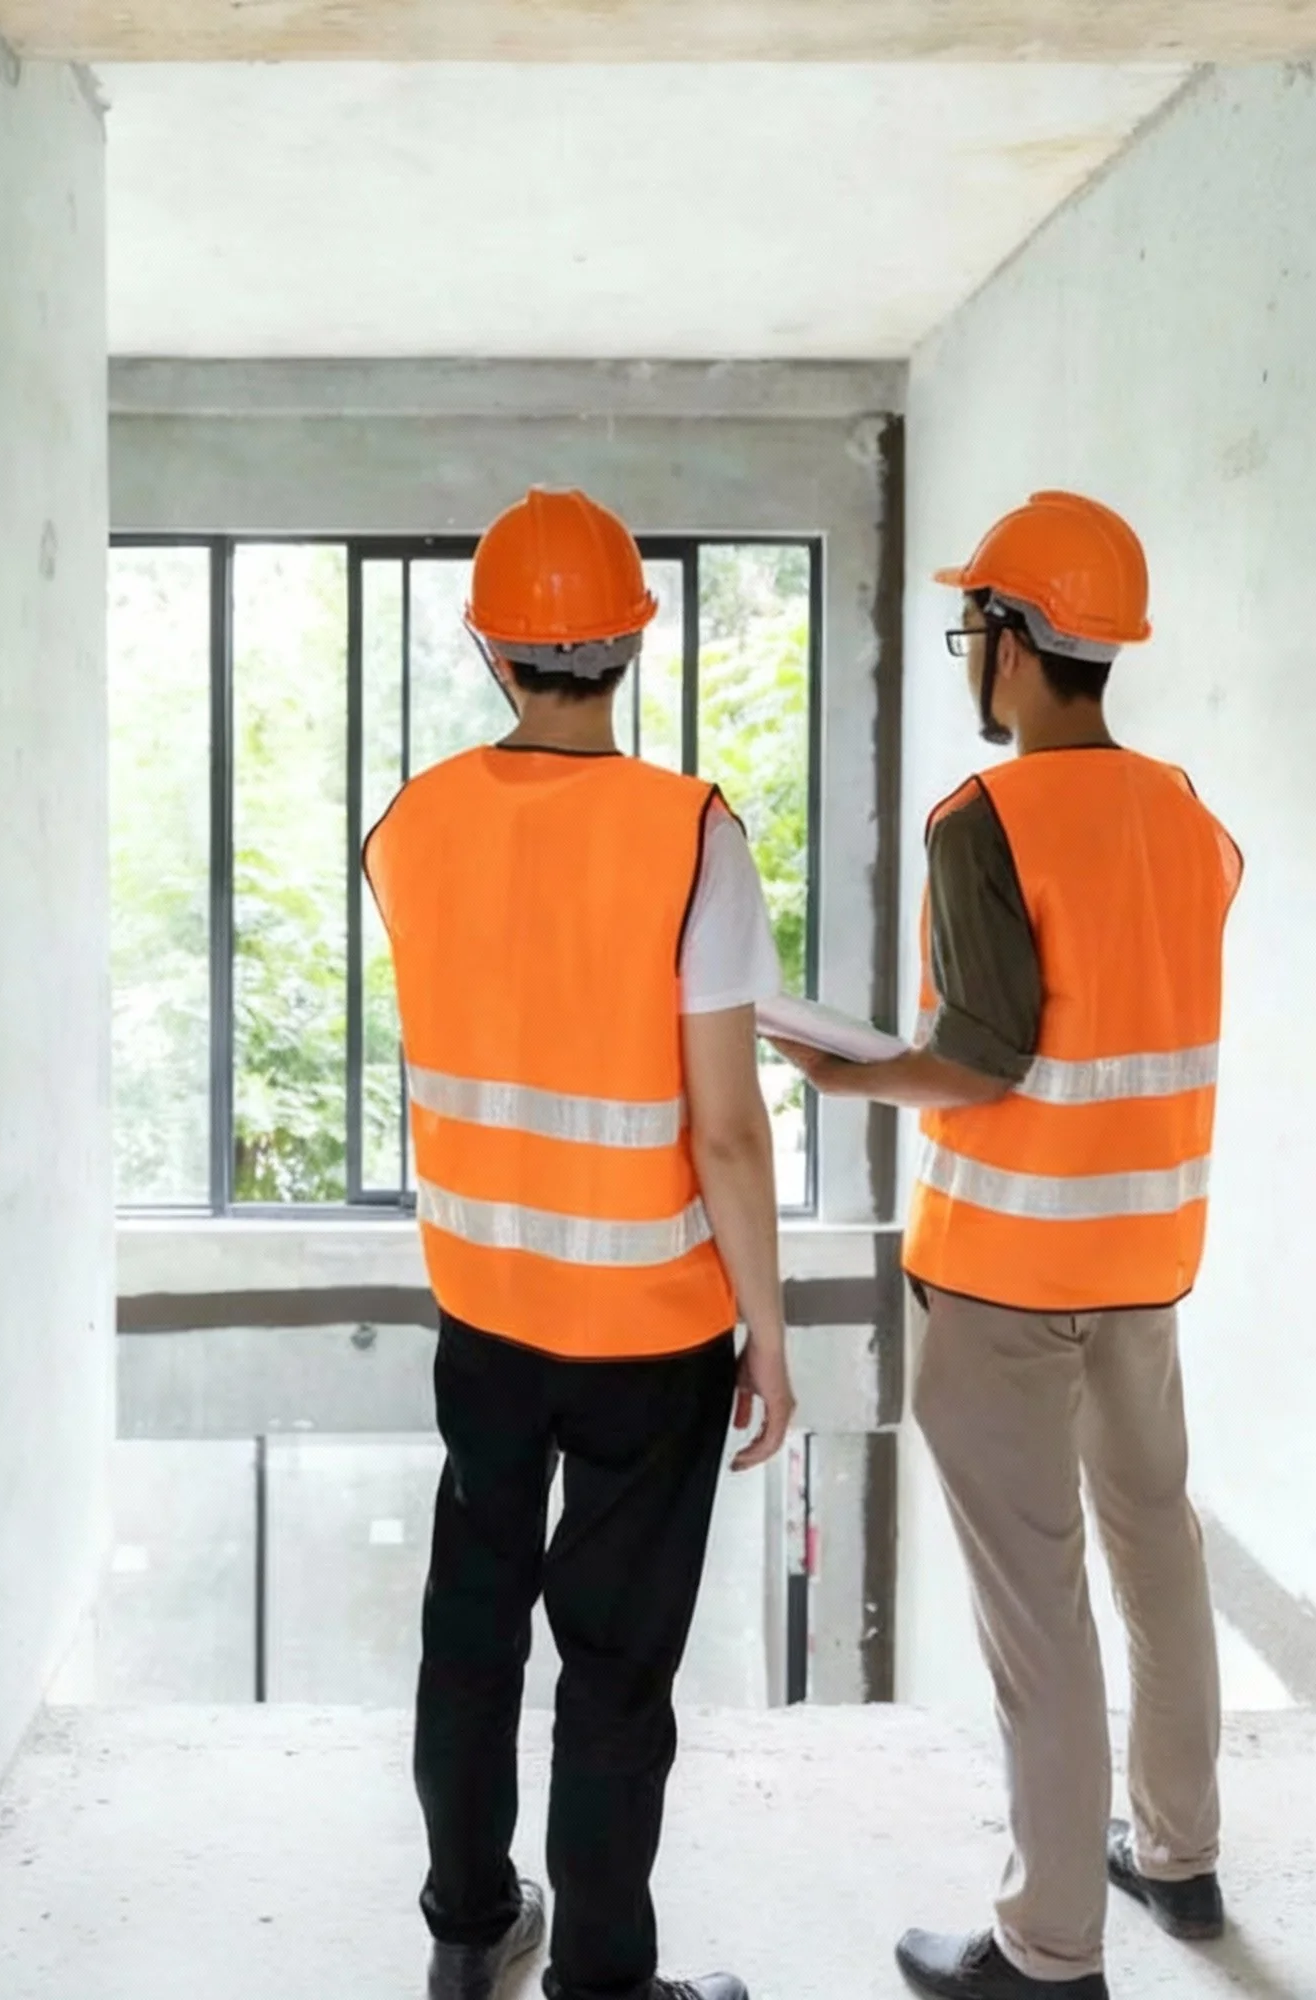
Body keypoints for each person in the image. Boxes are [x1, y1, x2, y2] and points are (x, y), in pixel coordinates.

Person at [770, 492, 1242, 2000]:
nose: (972, 652)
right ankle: (1179, 1857)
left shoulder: (984, 819)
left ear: (1018, 643)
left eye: (975, 626)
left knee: (1039, 1611)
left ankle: (1049, 1951)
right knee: (1157, 1552)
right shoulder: (1187, 815)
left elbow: (981, 1058)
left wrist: (847, 1072)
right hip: (1146, 1260)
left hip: (1004, 1277)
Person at [363, 488, 797, 2000]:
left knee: (472, 1625)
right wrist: (770, 1334)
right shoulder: (692, 836)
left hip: (485, 1307)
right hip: (650, 1332)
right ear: (635, 641)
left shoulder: (408, 824)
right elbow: (728, 1131)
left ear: (489, 649)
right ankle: (604, 1981)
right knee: (613, 1668)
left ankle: (469, 1923)